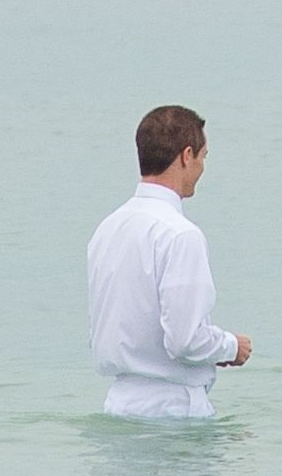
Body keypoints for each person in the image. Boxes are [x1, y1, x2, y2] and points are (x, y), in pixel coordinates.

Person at [87, 105, 252, 419]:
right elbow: (185, 341)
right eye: (203, 156)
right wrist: (232, 347)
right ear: (187, 155)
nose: (202, 167)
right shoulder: (180, 235)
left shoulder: (106, 229)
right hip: (172, 408)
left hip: (119, 403)